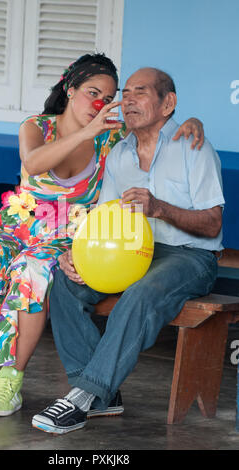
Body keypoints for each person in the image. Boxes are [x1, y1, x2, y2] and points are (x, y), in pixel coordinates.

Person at [0, 54, 204, 417]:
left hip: (65, 238)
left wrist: (192, 122)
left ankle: (10, 380)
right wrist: (86, 131)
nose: (100, 104)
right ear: (70, 89)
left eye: (109, 97)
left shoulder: (112, 136)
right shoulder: (36, 126)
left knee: (33, 274)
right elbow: (34, 162)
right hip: (15, 227)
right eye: (92, 92)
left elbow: (157, 123)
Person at [32, 67, 225, 435]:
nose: (128, 99)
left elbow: (214, 224)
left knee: (140, 295)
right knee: (65, 283)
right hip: (135, 254)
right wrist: (75, 254)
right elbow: (104, 220)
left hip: (189, 256)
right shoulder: (119, 153)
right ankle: (100, 392)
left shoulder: (193, 146)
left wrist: (159, 208)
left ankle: (84, 397)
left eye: (141, 91)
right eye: (127, 92)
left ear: (168, 103)